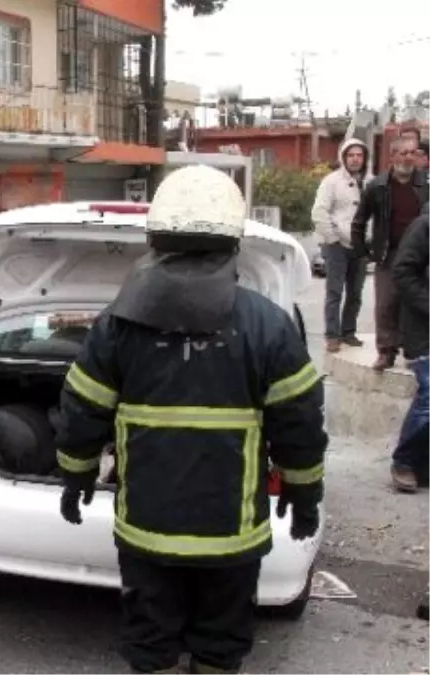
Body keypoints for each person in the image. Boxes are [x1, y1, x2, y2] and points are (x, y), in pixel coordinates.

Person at [55, 165, 327, 675]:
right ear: (233, 243)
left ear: (156, 239)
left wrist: (75, 474)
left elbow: (82, 410)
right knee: (220, 645)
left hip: (147, 536)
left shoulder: (117, 324)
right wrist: (304, 494)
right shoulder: (268, 325)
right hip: (233, 538)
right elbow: (302, 424)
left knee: (150, 642)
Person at [351, 136, 430, 370]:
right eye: (404, 153)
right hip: (388, 252)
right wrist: (363, 252)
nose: (409, 158)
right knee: (386, 303)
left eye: (413, 153)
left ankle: (413, 348)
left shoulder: (426, 183)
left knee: (416, 300)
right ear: (393, 155)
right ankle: (386, 351)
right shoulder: (377, 186)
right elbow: (359, 222)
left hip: (420, 254)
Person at [312, 138, 371, 353]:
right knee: (334, 292)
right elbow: (319, 211)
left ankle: (348, 332)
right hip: (336, 244)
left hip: (360, 246)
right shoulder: (331, 181)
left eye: (359, 155)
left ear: (365, 158)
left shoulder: (370, 181)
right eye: (351, 155)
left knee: (355, 293)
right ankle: (332, 335)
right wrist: (333, 237)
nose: (355, 159)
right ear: (344, 157)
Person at [387, 201, 430, 492]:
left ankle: (422, 466)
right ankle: (403, 461)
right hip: (423, 330)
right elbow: (402, 272)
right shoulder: (424, 225)